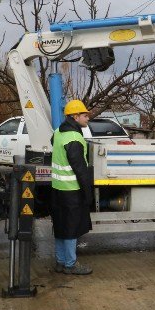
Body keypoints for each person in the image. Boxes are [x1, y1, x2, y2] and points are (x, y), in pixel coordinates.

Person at [50, 99, 93, 275]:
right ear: (75, 116)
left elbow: (53, 143)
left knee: (60, 225)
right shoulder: (75, 138)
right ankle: (70, 264)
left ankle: (60, 262)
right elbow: (80, 170)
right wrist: (88, 193)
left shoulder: (58, 132)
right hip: (71, 190)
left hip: (57, 188)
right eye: (85, 115)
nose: (87, 118)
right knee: (71, 228)